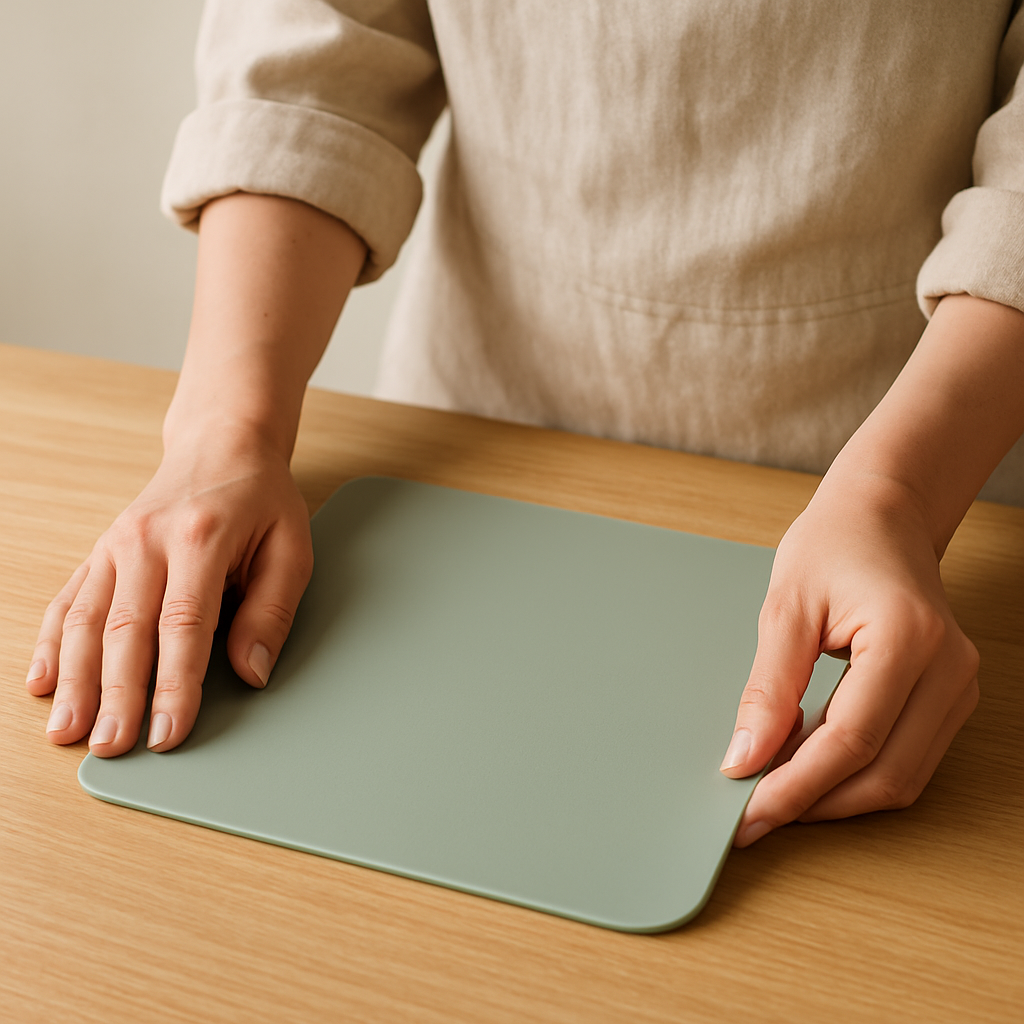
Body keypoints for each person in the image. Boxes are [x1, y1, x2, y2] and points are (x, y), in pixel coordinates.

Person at [26, 1, 1024, 848]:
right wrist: (220, 435)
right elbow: (320, 53)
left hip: (932, 464)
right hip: (478, 444)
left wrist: (895, 493)